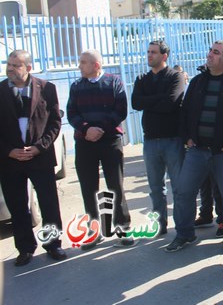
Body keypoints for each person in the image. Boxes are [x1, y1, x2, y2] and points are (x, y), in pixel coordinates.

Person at [168, 41, 223, 254]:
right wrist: (187, 138)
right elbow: (184, 112)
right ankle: (184, 234)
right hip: (197, 150)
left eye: (216, 52)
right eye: (210, 51)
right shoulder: (197, 82)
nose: (209, 55)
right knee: (184, 193)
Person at [0, 50, 67, 266]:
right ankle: (25, 248)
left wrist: (39, 147)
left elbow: (55, 122)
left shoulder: (46, 88)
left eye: (15, 65)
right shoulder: (0, 91)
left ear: (28, 68)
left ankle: (53, 244)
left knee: (49, 204)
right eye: (9, 64)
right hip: (10, 160)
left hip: (40, 157)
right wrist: (9, 151)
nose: (10, 69)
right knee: (18, 206)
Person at [67, 50, 133, 248]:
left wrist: (100, 129)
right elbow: (72, 113)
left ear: (96, 65)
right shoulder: (77, 86)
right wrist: (87, 129)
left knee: (116, 186)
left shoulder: (114, 83)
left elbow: (120, 109)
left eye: (84, 62)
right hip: (85, 142)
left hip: (110, 141)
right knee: (89, 188)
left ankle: (123, 228)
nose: (80, 66)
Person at [131, 41, 185, 235]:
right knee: (156, 188)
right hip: (151, 141)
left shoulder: (175, 77)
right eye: (148, 52)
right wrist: (158, 98)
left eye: (153, 52)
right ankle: (160, 224)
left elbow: (171, 103)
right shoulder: (141, 79)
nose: (149, 55)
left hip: (173, 140)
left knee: (178, 187)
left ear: (164, 56)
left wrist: (150, 101)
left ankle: (182, 226)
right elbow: (136, 103)